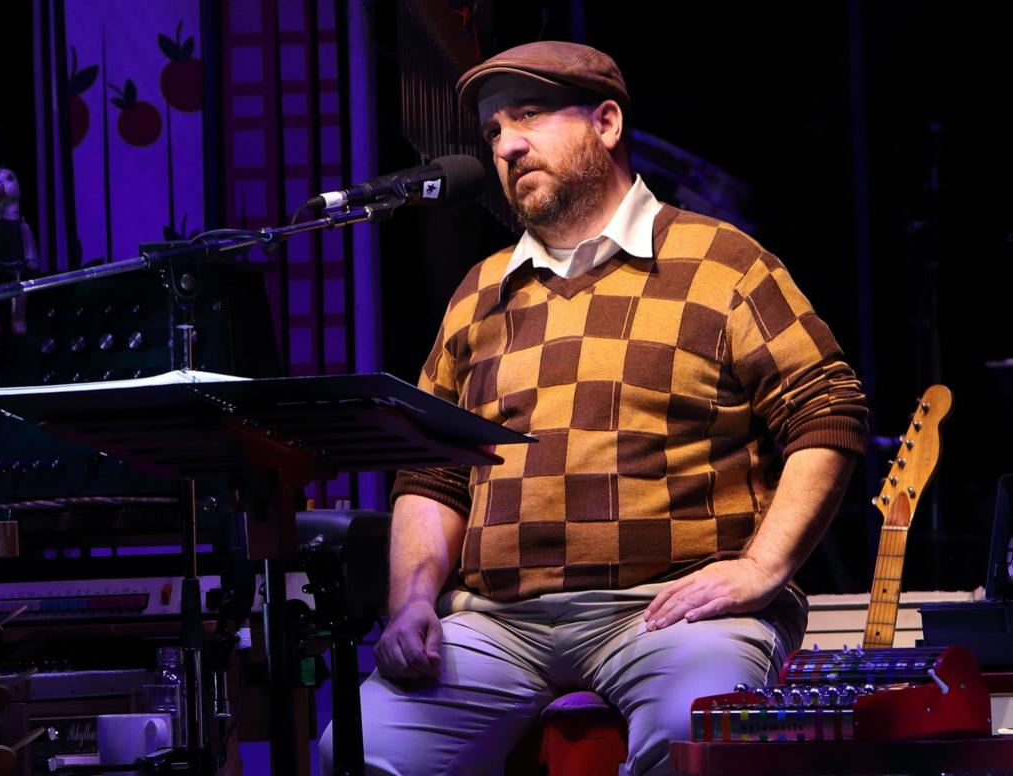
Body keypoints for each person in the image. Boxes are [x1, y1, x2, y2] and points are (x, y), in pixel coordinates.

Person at [321, 41, 867, 775]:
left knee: (692, 740)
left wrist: (763, 569)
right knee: (356, 754)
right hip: (496, 625)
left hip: (673, 614)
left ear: (606, 124)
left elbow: (828, 411)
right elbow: (432, 475)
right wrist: (412, 601)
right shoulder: (481, 292)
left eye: (531, 116)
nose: (507, 144)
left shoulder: (721, 261)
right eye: (492, 133)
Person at [0, 167, 38, 336]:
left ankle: (18, 317)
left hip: (15, 269)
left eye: (7, 179)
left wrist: (31, 258)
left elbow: (28, 243)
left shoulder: (22, 226)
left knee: (19, 290)